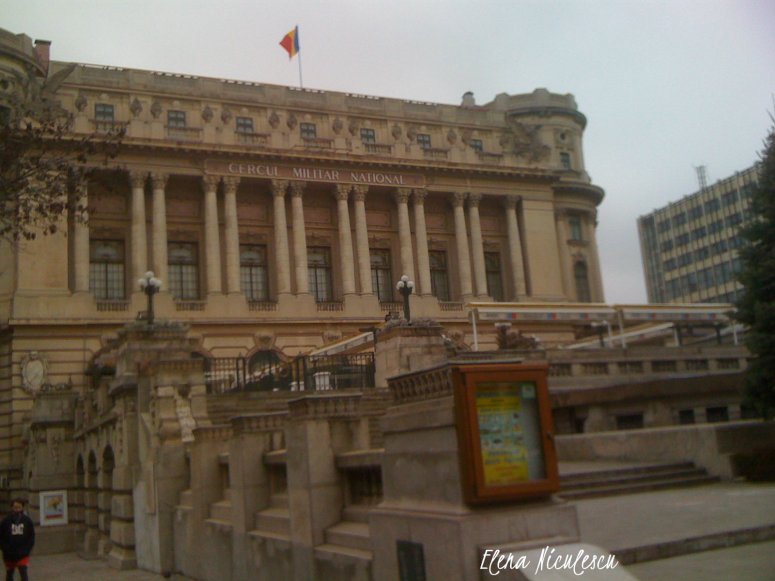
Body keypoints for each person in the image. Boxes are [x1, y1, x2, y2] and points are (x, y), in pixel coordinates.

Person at [0, 499, 35, 581]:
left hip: (23, 553)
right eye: (15, 507)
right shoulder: (6, 521)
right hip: (9, 553)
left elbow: (31, 536)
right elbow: (1, 536)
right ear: (12, 508)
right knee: (9, 573)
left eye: (19, 507)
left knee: (23, 573)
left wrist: (28, 549)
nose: (17, 510)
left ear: (22, 508)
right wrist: (4, 548)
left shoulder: (27, 521)